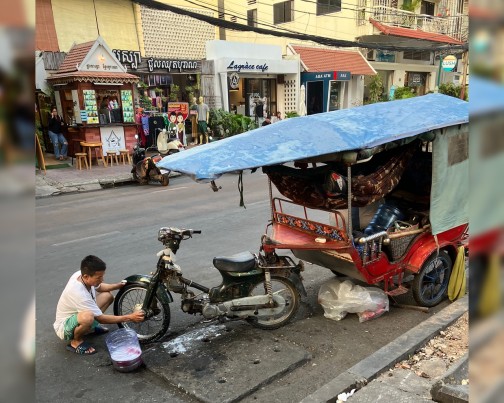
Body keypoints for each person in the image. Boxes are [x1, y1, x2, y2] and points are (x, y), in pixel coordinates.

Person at [53, 255, 144, 355]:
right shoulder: (78, 292)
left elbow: (99, 287)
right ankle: (76, 342)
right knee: (88, 317)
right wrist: (130, 317)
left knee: (107, 296)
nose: (102, 279)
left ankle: (90, 328)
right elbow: (101, 319)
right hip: (64, 327)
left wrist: (118, 286)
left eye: (102, 276)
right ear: (86, 276)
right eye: (99, 277)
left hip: (78, 314)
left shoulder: (81, 274)